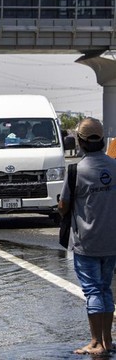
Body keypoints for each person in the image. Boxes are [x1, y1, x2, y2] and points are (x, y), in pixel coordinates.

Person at [58, 118, 116, 356]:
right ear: (102, 141)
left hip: (87, 243)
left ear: (80, 143)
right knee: (106, 289)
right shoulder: (115, 167)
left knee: (93, 291)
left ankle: (95, 343)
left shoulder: (75, 171)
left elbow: (63, 205)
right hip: (112, 242)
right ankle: (108, 341)